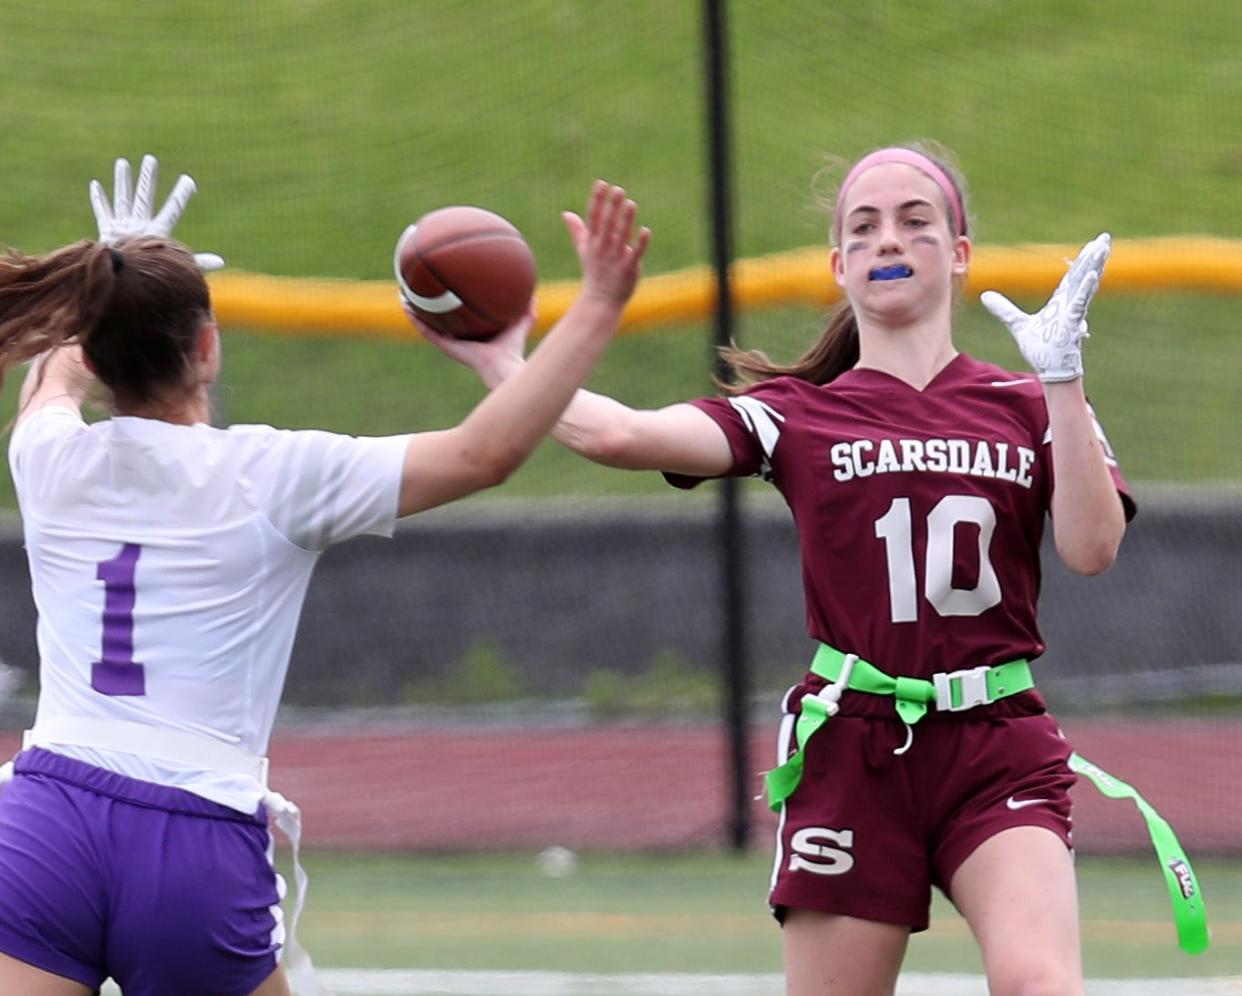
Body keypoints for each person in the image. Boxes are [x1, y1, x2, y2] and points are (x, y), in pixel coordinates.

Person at [425, 141, 1142, 995]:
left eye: (916, 223)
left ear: (958, 254)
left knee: (1041, 985)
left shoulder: (1028, 403)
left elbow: (1092, 550)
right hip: (855, 746)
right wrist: (503, 361)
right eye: (865, 228)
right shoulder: (796, 415)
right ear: (839, 266)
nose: (889, 241)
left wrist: (1062, 378)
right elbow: (615, 433)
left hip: (996, 742)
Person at [0, 155, 649, 996]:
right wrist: (596, 306)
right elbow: (484, 453)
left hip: (46, 819)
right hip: (189, 834)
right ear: (207, 347)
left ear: (94, 347)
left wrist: (113, 268)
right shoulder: (272, 475)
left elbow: (52, 381)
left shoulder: (45, 457)